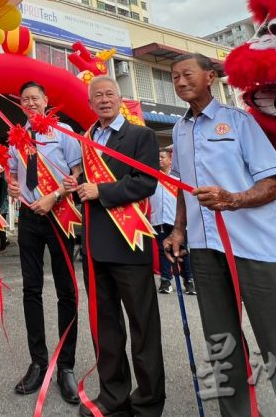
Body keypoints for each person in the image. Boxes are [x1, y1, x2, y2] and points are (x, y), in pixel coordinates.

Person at [164, 53, 276, 417]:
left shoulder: (238, 122)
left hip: (256, 250)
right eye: (174, 77)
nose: (179, 82)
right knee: (221, 342)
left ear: (209, 77)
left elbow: (273, 184)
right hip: (206, 251)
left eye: (186, 74)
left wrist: (233, 200)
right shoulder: (180, 129)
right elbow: (181, 187)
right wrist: (178, 231)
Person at [67, 75, 165, 417]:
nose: (104, 100)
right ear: (90, 104)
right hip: (95, 248)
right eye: (98, 96)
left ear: (120, 98)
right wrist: (77, 184)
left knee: (143, 330)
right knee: (106, 330)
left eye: (110, 94)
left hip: (130, 246)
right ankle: (112, 398)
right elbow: (89, 183)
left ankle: (149, 403)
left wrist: (101, 192)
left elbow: (146, 182)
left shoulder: (141, 136)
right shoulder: (87, 139)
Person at [7, 81, 83, 404]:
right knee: (31, 289)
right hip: (29, 219)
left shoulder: (62, 131)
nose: (30, 103)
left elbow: (78, 173)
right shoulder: (16, 137)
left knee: (66, 290)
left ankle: (65, 366)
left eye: (35, 98)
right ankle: (38, 361)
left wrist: (55, 195)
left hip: (61, 214)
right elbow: (12, 173)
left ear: (45, 100)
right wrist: (11, 185)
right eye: (25, 100)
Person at [150, 146, 195, 295]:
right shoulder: (152, 176)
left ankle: (189, 281)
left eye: (162, 157)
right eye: (158, 157)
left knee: (182, 251)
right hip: (158, 219)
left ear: (170, 160)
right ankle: (165, 280)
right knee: (163, 250)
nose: (159, 160)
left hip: (177, 221)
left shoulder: (178, 177)